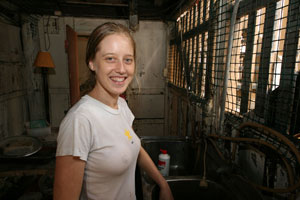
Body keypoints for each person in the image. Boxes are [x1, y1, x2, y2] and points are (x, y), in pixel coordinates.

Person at [53, 22, 174, 200]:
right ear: (92, 63)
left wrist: (162, 183)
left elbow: (133, 145)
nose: (121, 69)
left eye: (127, 59)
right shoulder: (80, 120)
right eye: (110, 58)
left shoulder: (121, 105)